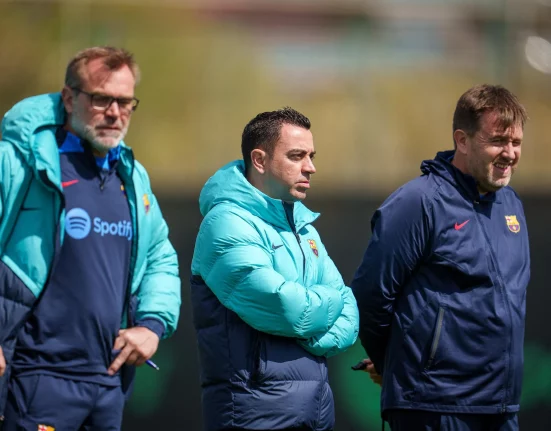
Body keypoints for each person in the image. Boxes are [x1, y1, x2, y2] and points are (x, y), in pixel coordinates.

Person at [0, 46, 181, 430]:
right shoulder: (20, 162)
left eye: (125, 102)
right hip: (35, 376)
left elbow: (161, 258)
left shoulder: (132, 178)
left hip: (107, 382)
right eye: (101, 99)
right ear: (69, 98)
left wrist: (152, 325)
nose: (114, 113)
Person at [351, 84, 530, 431]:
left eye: (516, 143)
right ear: (462, 140)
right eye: (497, 141)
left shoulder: (512, 205)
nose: (509, 153)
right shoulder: (418, 203)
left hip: (502, 407)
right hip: (435, 406)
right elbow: (371, 295)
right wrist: (394, 364)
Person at [190, 107, 359, 431]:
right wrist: (323, 307)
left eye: (311, 156)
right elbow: (288, 309)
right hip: (254, 413)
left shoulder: (304, 226)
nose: (310, 167)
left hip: (316, 413)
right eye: (297, 156)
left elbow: (349, 314)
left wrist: (313, 325)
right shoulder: (227, 222)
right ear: (259, 160)